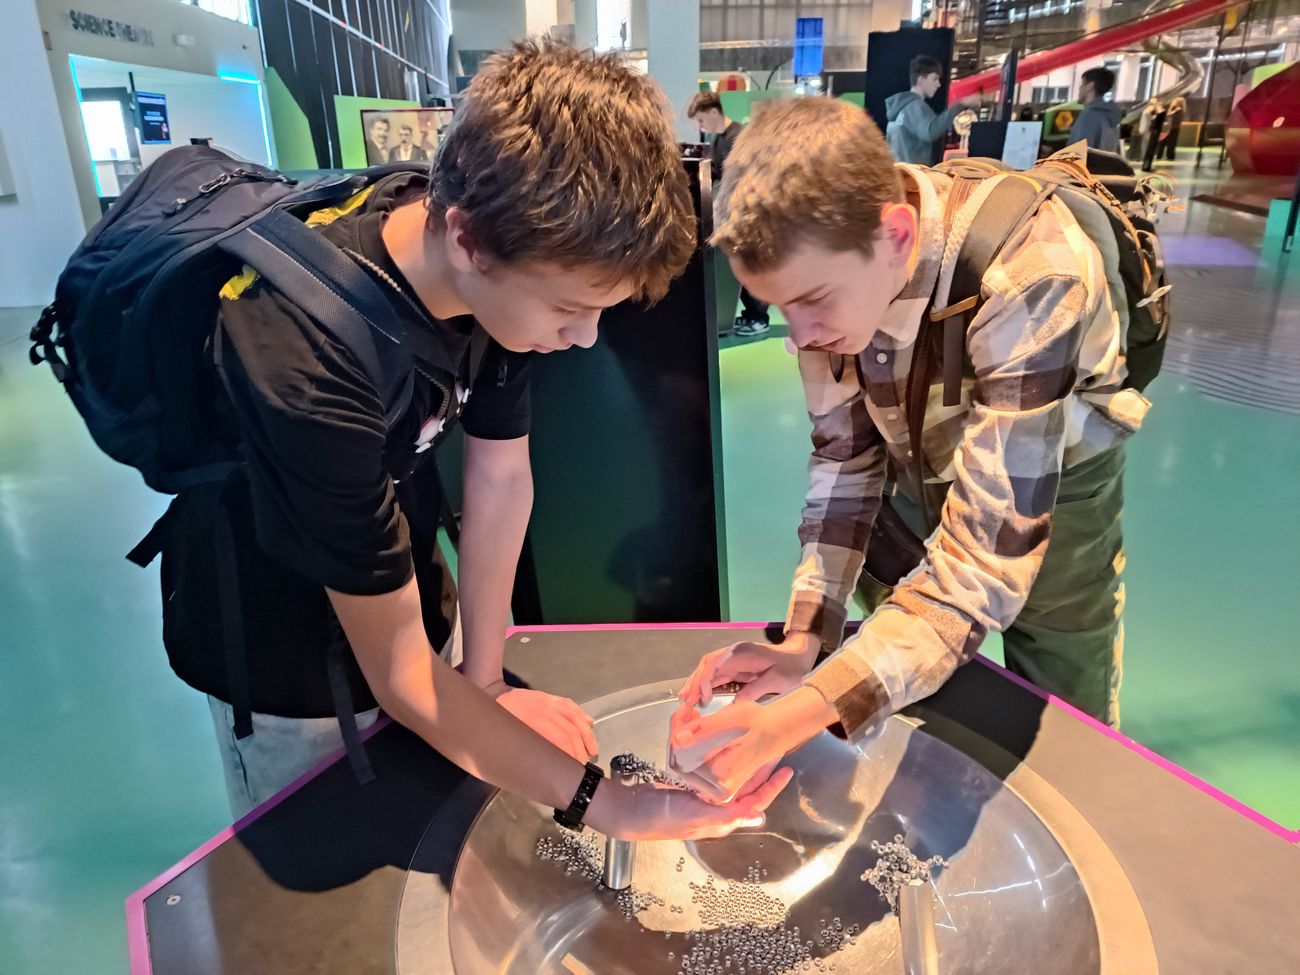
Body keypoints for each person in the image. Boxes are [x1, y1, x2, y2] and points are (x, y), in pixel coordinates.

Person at [170, 40, 790, 836]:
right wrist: (614, 805)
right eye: (568, 309)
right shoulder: (305, 358)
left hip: (403, 582)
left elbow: (499, 476)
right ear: (467, 240)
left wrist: (486, 679)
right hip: (285, 660)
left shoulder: (495, 265)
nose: (583, 338)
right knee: (331, 852)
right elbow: (400, 675)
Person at [673, 96, 1149, 802]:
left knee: (1066, 721)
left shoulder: (1035, 271)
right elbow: (845, 461)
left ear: (896, 235)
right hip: (913, 455)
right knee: (891, 680)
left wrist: (795, 716)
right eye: (778, 308)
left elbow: (982, 564)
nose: (799, 337)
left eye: (814, 301)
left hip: (1052, 474)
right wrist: (805, 640)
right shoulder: (833, 277)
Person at [687, 90, 771, 336]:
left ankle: (759, 316)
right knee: (738, 267)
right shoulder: (718, 140)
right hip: (732, 211)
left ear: (714, 111)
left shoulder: (738, 137)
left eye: (701, 119)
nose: (701, 125)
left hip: (748, 213)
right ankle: (751, 314)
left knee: (751, 265)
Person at [885, 54, 982, 165]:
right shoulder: (916, 107)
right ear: (921, 80)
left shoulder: (899, 110)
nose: (938, 84)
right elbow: (930, 131)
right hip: (913, 173)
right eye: (934, 79)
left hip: (898, 172)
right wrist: (962, 104)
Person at [1069, 66, 1122, 153]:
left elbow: (1078, 154)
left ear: (1090, 86)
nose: (1079, 88)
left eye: (1082, 84)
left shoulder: (1090, 115)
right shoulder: (1111, 114)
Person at [1160, 96, 1185, 161]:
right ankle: (1163, 155)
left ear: (1178, 103)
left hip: (1174, 128)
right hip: (1170, 127)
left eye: (1175, 101)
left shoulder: (1179, 110)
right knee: (1164, 142)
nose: (1173, 102)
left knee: (1171, 143)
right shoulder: (1174, 109)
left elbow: (1169, 115)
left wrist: (1171, 108)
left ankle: (1170, 156)